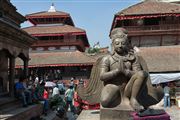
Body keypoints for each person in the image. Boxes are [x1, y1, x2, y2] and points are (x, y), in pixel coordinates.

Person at [99, 28, 148, 111]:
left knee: (142, 74)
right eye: (117, 43)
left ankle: (133, 99)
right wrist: (117, 71)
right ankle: (117, 102)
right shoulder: (107, 59)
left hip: (128, 89)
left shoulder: (133, 58)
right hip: (113, 87)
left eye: (123, 43)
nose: (120, 45)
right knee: (105, 102)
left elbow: (138, 74)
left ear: (127, 44)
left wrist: (126, 72)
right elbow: (102, 76)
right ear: (113, 45)